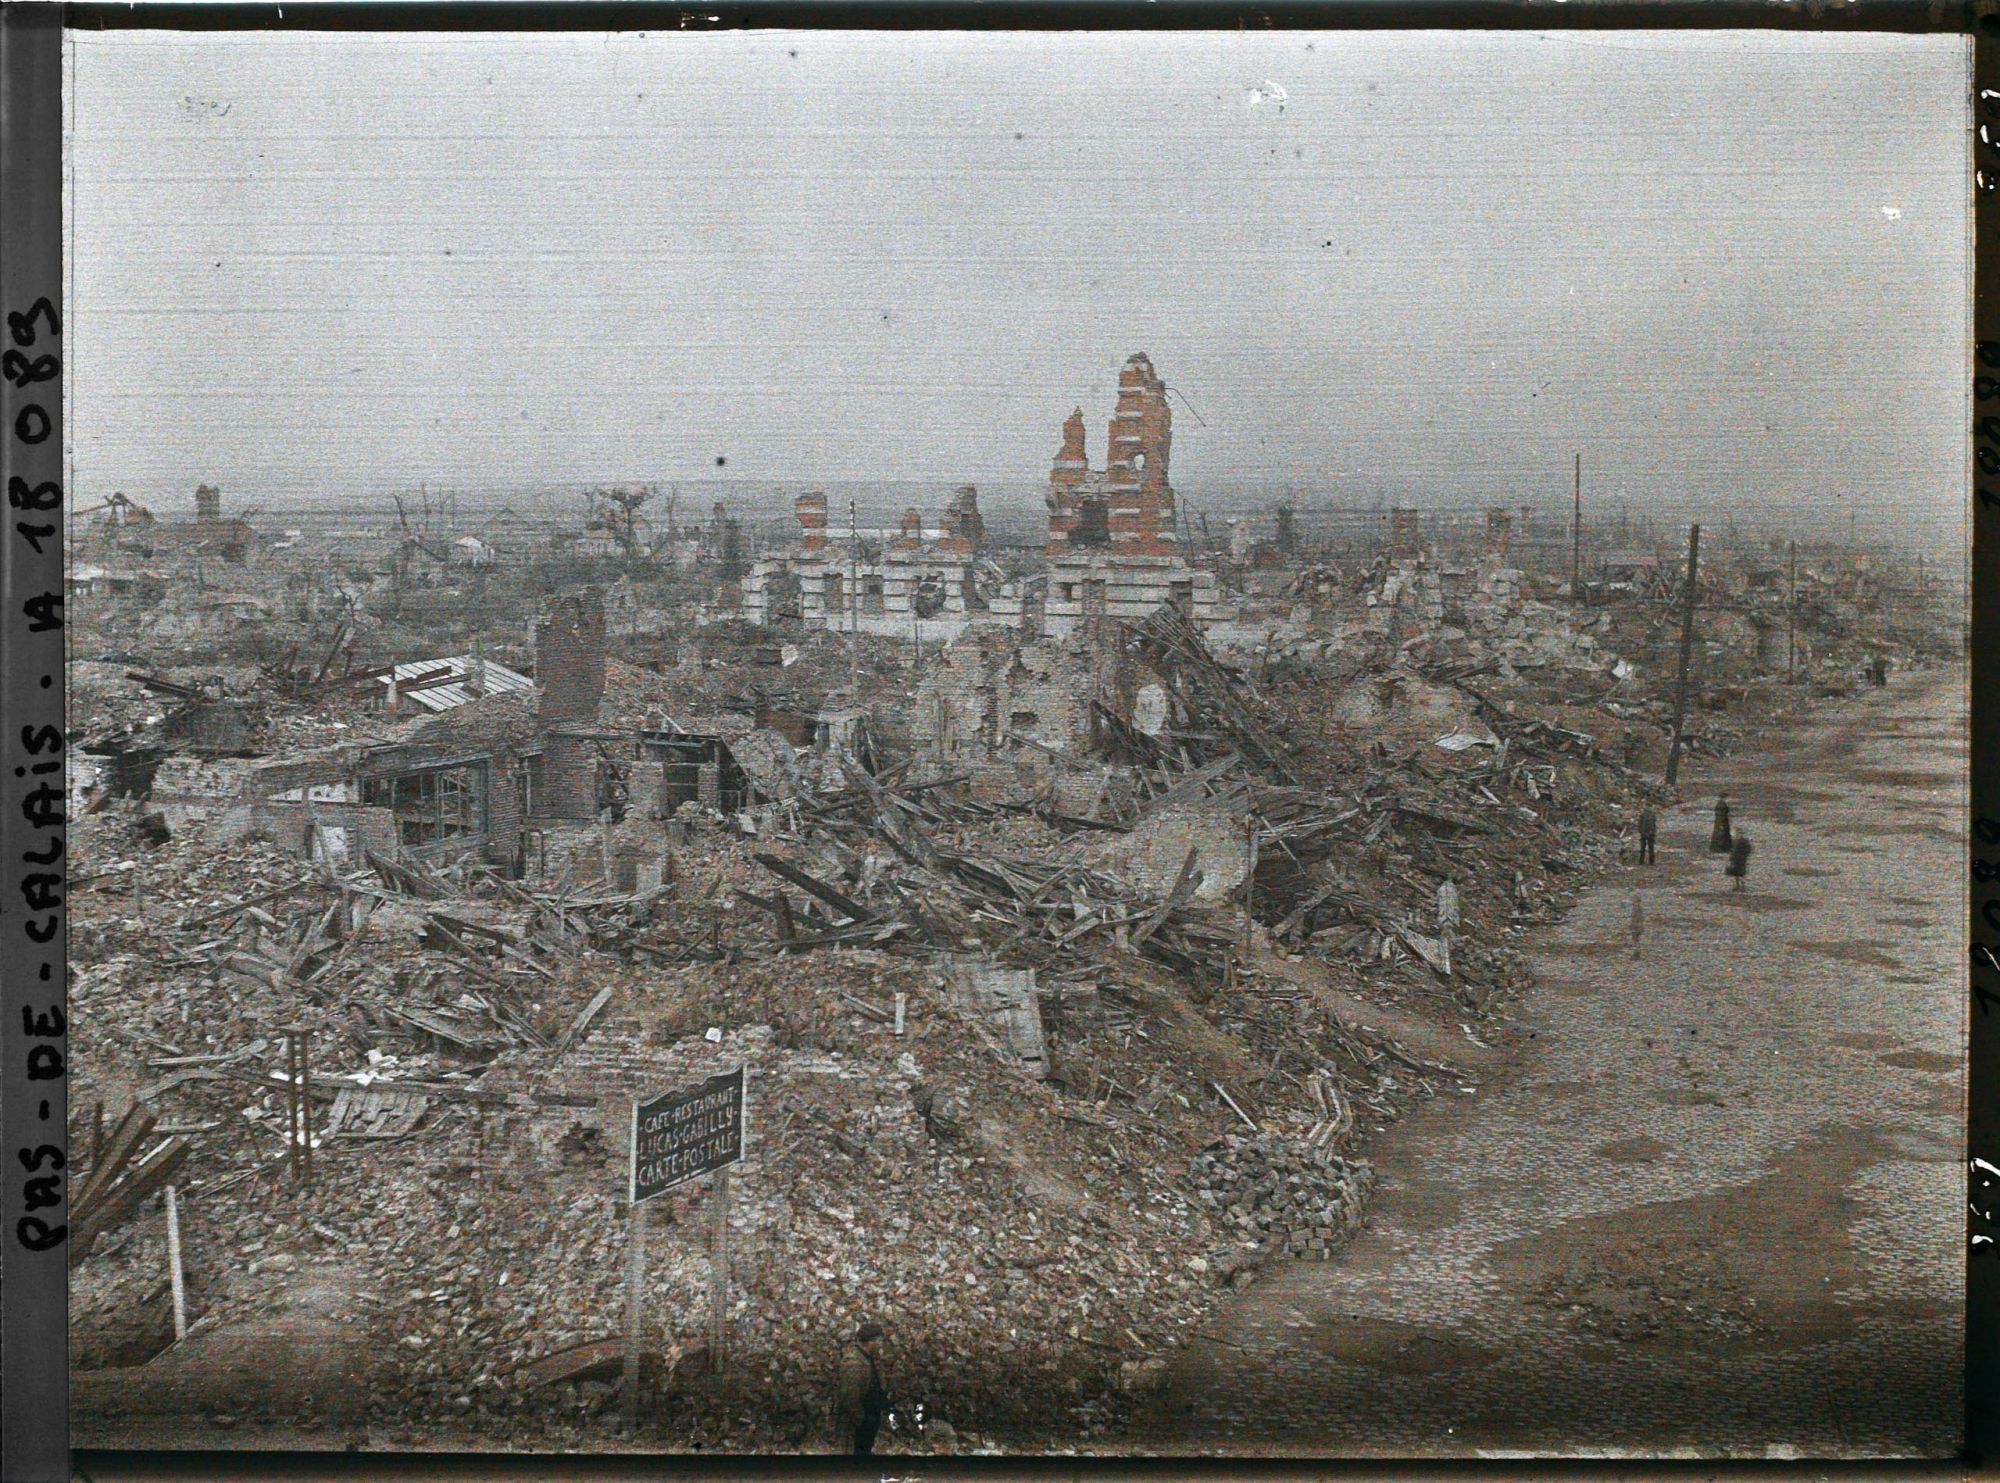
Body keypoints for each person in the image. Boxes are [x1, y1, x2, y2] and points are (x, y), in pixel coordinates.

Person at [834, 1321, 889, 1456]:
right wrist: (861, 1418)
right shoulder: (854, 1363)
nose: (881, 1345)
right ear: (872, 1342)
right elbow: (849, 1397)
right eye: (879, 1341)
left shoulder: (867, 1358)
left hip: (867, 1418)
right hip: (859, 1423)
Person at [1627, 891, 1645, 960]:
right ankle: (1636, 953)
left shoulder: (1636, 908)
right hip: (1638, 926)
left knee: (1635, 940)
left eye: (1633, 899)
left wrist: (1633, 925)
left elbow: (1636, 918)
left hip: (1636, 926)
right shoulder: (1638, 908)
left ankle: (1636, 953)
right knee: (1636, 940)